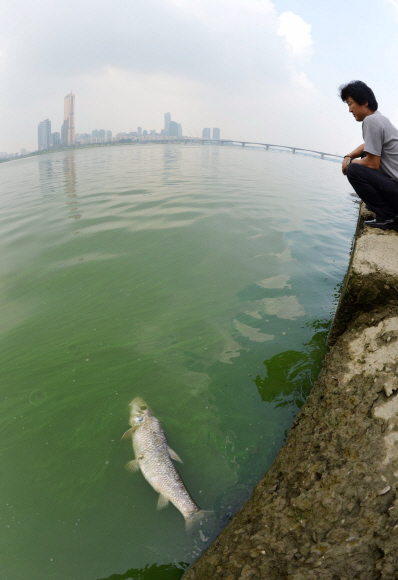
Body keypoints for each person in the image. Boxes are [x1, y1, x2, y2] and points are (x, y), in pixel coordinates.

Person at [340, 80, 398, 230]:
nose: (349, 110)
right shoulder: (380, 119)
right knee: (364, 155)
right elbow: (368, 146)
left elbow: (372, 164)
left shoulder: (371, 121)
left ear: (364, 102)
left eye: (350, 103)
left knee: (354, 170)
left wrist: (349, 163)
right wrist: (349, 155)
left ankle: (388, 216)